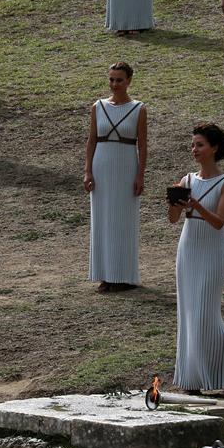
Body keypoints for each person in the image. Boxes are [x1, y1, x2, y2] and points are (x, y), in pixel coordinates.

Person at [167, 124, 224, 396]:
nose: (194, 150)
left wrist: (197, 205)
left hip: (212, 252)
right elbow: (173, 219)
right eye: (192, 145)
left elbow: (219, 222)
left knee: (206, 314)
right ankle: (192, 378)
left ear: (214, 148)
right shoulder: (187, 179)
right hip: (188, 250)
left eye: (200, 145)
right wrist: (176, 203)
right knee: (189, 314)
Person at [83, 62, 147, 292]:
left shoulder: (139, 108)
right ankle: (105, 274)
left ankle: (123, 275)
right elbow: (91, 140)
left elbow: (143, 144)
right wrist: (88, 170)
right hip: (102, 166)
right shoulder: (98, 107)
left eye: (119, 80)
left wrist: (140, 175)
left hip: (126, 166)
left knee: (123, 221)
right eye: (111, 79)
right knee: (102, 219)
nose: (114, 84)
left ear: (129, 80)